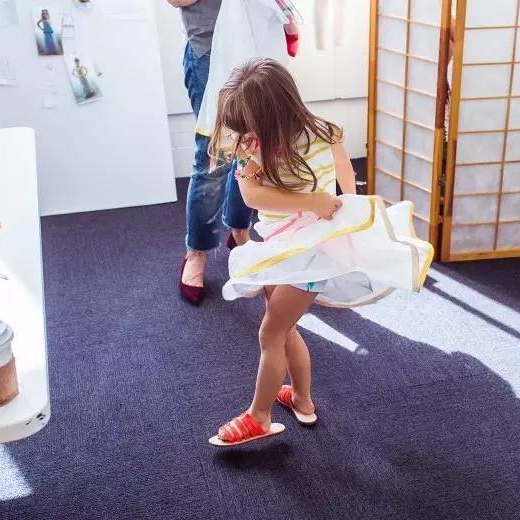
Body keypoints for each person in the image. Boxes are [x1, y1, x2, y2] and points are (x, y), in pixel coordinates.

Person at [207, 59, 433, 447]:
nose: (244, 136)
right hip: (279, 245)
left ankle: (259, 417)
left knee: (271, 332)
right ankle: (301, 400)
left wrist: (349, 204)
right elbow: (252, 195)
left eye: (250, 127)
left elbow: (342, 162)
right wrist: (312, 200)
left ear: (274, 115)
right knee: (285, 328)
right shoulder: (253, 144)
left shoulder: (318, 133)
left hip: (313, 252)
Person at [168, 0, 288, 305]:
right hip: (211, 53)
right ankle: (197, 252)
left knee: (254, 147)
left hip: (259, 47)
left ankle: (239, 229)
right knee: (215, 156)